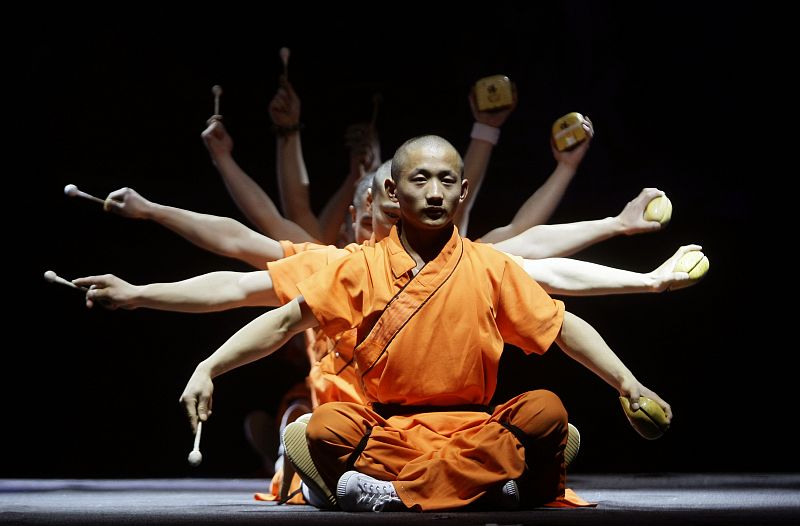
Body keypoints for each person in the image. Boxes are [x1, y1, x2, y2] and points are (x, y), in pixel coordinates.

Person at [177, 135, 673, 512]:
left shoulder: (490, 265)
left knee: (546, 411)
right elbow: (284, 322)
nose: (434, 193)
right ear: (392, 190)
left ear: (463, 190)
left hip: (472, 428)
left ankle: (397, 494)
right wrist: (209, 366)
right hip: (390, 434)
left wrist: (627, 381)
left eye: (446, 181)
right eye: (420, 180)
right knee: (326, 425)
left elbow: (564, 327)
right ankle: (484, 489)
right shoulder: (359, 267)